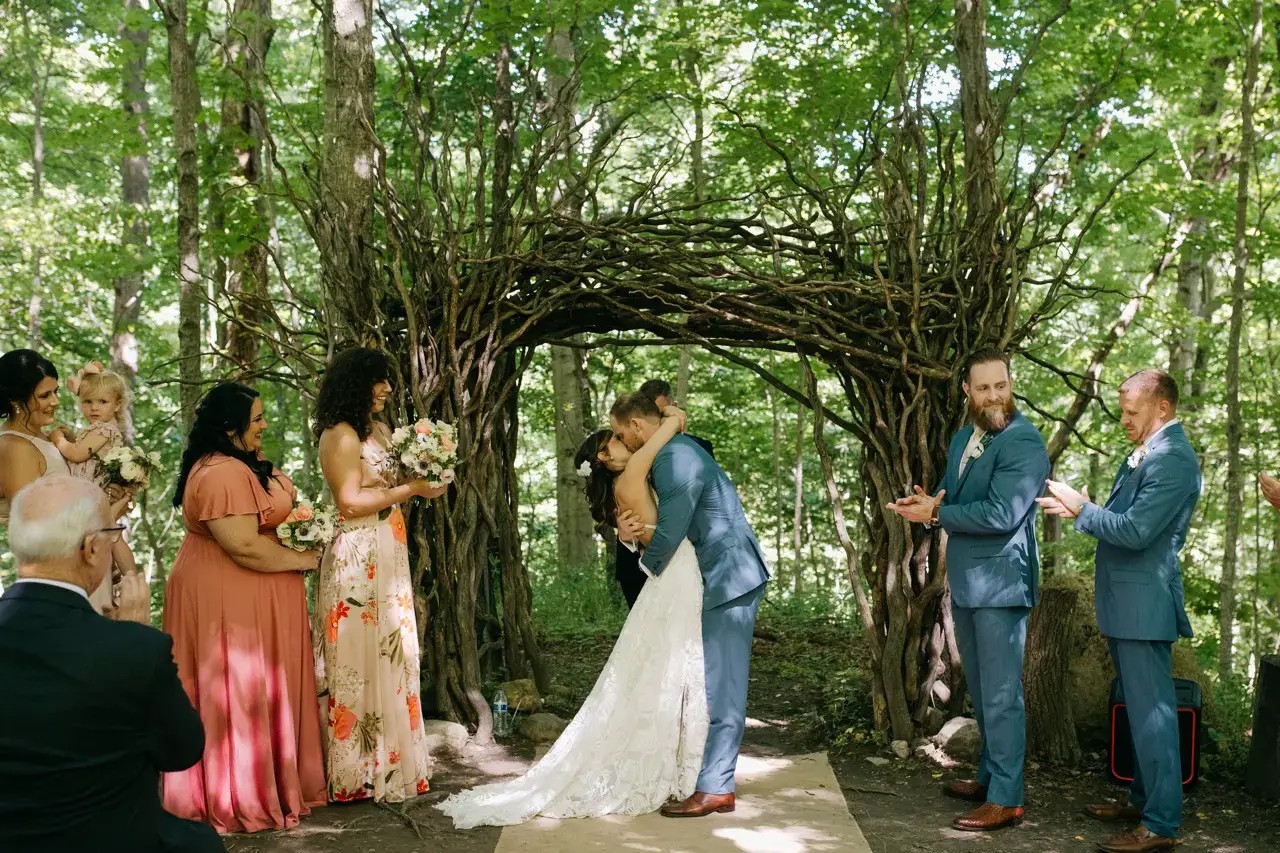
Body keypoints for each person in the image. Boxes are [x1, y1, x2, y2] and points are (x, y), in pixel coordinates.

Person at [438, 403, 702, 827]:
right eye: (614, 440)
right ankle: (665, 756)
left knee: (660, 663)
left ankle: (673, 749)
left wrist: (633, 535)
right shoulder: (633, 474)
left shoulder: (638, 476)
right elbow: (653, 465)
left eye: (616, 438)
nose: (618, 445)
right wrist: (671, 418)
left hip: (667, 575)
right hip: (667, 574)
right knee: (659, 662)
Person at [0, 475, 223, 853]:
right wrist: (133, 637)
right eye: (112, 532)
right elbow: (182, 750)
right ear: (90, 548)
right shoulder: (133, 648)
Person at [1038, 369, 1199, 853]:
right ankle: (1142, 798)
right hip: (1126, 601)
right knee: (1139, 710)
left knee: (1154, 716)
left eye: (1132, 411)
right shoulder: (1150, 451)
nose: (1124, 419)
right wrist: (1086, 506)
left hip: (1145, 602)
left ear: (1162, 409)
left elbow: (1134, 531)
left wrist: (1079, 510)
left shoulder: (1172, 458)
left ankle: (1161, 825)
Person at [888, 349, 1048, 832]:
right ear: (968, 393)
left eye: (1000, 385)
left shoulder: (1024, 442)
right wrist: (931, 498)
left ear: (1010, 383)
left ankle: (1007, 799)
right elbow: (955, 490)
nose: (994, 395)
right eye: (983, 388)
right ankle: (988, 777)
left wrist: (936, 517)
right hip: (970, 580)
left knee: (1001, 695)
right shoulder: (964, 436)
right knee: (981, 690)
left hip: (1002, 583)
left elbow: (1002, 514)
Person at [161, 382, 327, 833]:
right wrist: (307, 559)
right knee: (239, 686)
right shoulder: (220, 474)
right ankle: (237, 794)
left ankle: (271, 782)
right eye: (256, 419)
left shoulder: (241, 466)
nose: (264, 425)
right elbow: (245, 549)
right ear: (230, 427)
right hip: (227, 595)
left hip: (259, 594)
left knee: (261, 686)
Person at [617, 392, 771, 818]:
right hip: (719, 573)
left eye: (617, 433)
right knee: (713, 680)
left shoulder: (675, 457)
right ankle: (712, 781)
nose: (619, 441)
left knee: (725, 685)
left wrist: (649, 575)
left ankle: (717, 787)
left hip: (730, 575)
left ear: (636, 427)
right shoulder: (671, 453)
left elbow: (673, 525)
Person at [313, 348, 446, 803]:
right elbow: (348, 502)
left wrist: (430, 471)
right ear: (356, 383)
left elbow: (392, 484)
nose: (388, 388)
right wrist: (411, 489)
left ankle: (392, 764)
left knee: (393, 651)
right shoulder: (341, 436)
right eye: (379, 380)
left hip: (388, 546)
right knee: (357, 658)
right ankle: (357, 774)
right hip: (357, 553)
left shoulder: (381, 430)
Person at [609, 379, 714, 609]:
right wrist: (623, 533)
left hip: (685, 562)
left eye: (662, 413)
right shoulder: (621, 453)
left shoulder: (693, 448)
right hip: (639, 564)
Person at [49, 360, 140, 612]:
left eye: (102, 402)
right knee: (109, 535)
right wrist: (69, 435)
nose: (94, 408)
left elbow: (77, 454)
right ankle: (124, 577)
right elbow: (81, 447)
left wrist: (58, 440)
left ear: (117, 404)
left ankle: (131, 577)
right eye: (88, 402)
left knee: (111, 535)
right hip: (92, 491)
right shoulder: (96, 429)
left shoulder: (105, 430)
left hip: (96, 492)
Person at [0, 349, 71, 595]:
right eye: (45, 395)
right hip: (54, 575)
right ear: (15, 401)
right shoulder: (14, 447)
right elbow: (30, 527)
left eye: (56, 391)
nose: (55, 401)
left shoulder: (43, 437)